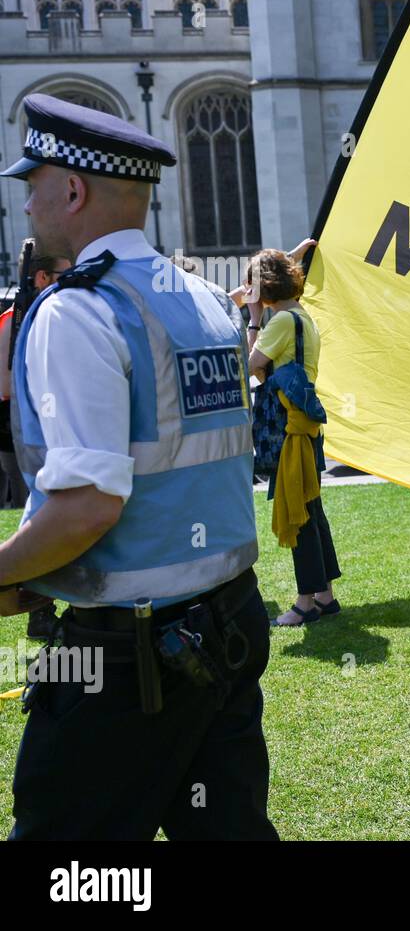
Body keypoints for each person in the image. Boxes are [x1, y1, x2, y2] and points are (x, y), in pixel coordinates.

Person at [0, 94, 277, 840]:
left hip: (122, 654)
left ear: (72, 189)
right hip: (229, 619)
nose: (26, 204)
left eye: (33, 184)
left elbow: (89, 505)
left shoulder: (77, 310)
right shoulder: (207, 300)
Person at [241, 246, 342, 627]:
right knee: (312, 510)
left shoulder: (281, 322)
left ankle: (305, 602)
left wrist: (253, 320)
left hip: (288, 430)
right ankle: (325, 596)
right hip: (303, 427)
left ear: (263, 287)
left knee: (296, 513)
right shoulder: (301, 316)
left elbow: (250, 368)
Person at [0, 251, 70, 641]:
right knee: (43, 523)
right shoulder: (15, 319)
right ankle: (39, 611)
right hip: (23, 435)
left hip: (43, 431)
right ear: (41, 276)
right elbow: (6, 387)